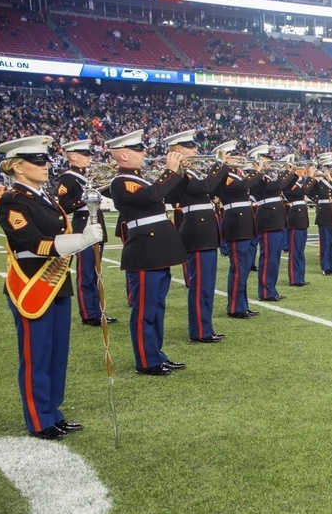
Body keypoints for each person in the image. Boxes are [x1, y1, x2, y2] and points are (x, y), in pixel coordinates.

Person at [0, 136, 103, 439]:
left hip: (57, 285)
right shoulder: (12, 200)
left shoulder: (44, 198)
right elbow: (32, 242)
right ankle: (38, 419)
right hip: (33, 285)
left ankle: (53, 411)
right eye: (38, 161)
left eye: (46, 160)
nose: (46, 165)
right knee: (37, 355)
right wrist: (81, 240)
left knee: (57, 353)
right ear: (17, 166)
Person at [107, 129, 187, 376]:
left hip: (157, 249)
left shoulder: (140, 178)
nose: (144, 153)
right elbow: (152, 196)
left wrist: (178, 172)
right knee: (145, 309)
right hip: (144, 250)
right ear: (122, 155)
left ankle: (156, 354)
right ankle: (145, 361)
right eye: (138, 149)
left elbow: (167, 194)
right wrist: (169, 171)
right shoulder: (121, 181)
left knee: (157, 307)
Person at [165, 130, 229, 344]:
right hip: (197, 234)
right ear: (177, 150)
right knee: (200, 285)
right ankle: (200, 330)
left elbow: (210, 189)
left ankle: (205, 327)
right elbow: (206, 187)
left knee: (208, 285)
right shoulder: (180, 175)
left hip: (205, 232)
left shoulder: (190, 172)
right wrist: (221, 164)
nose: (195, 150)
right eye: (190, 147)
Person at [55, 139, 117, 326]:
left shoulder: (87, 176)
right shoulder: (68, 178)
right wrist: (87, 195)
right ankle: (89, 314)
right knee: (86, 273)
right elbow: (64, 206)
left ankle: (99, 312)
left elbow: (110, 194)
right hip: (83, 226)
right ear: (73, 156)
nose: (88, 157)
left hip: (97, 224)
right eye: (84, 154)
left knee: (96, 273)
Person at [216, 144, 266, 319]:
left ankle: (242, 305)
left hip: (244, 224)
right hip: (236, 225)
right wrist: (258, 171)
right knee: (238, 269)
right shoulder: (224, 176)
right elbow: (243, 186)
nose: (238, 158)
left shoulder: (234, 175)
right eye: (233, 156)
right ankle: (234, 307)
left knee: (243, 269)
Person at [253, 155, 298, 301]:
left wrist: (292, 173)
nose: (268, 162)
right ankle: (266, 292)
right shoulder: (255, 177)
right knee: (268, 259)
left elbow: (284, 186)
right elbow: (277, 186)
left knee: (275, 259)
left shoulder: (264, 177)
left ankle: (271, 289)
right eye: (264, 159)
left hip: (275, 220)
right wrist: (286, 172)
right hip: (268, 220)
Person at [282, 159, 316, 285]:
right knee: (295, 251)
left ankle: (300, 277)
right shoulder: (287, 187)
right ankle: (294, 278)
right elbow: (304, 191)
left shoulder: (294, 184)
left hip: (301, 218)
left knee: (300, 251)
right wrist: (310, 176)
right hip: (295, 218)